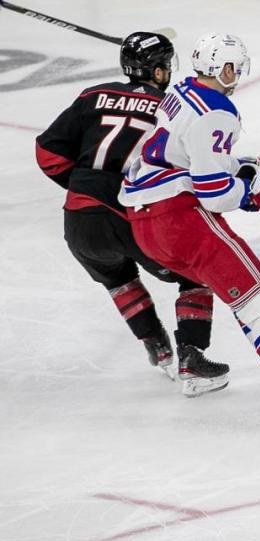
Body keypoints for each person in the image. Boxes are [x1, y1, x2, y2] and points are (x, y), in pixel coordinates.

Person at [118, 33, 260, 422]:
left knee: (219, 285)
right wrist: (252, 191)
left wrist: (242, 165)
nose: (238, 74)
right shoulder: (218, 110)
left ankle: (194, 367)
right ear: (226, 68)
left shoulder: (183, 90)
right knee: (257, 299)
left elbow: (189, 154)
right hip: (179, 219)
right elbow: (214, 194)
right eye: (236, 66)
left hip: (143, 222)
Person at [35, 31, 228, 397]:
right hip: (130, 214)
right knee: (196, 273)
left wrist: (83, 186)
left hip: (78, 219)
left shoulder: (93, 95)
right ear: (157, 71)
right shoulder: (172, 108)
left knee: (117, 278)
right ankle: (191, 357)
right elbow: (188, 169)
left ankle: (156, 345)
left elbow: (48, 153)